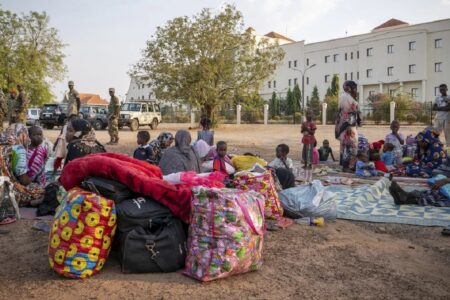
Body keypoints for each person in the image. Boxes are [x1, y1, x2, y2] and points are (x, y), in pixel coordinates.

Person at [0, 124, 44, 224]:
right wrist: (33, 178)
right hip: (4, 189)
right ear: (22, 135)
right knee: (39, 190)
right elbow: (24, 180)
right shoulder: (18, 149)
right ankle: (26, 201)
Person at [335, 80, 360, 170]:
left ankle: (345, 164)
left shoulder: (344, 96)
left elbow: (340, 113)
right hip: (349, 126)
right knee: (351, 144)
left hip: (345, 125)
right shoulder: (347, 98)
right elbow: (350, 113)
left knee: (345, 145)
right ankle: (349, 166)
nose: (356, 90)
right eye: (355, 88)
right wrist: (350, 125)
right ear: (349, 88)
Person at [301, 110, 316, 182]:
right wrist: (303, 128)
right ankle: (306, 163)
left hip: (310, 140)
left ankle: (309, 165)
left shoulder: (312, 124)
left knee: (309, 153)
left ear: (312, 115)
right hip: (305, 139)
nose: (308, 115)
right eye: (307, 114)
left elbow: (313, 133)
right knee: (304, 153)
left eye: (310, 114)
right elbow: (301, 131)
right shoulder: (304, 123)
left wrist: (306, 128)